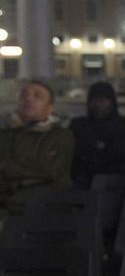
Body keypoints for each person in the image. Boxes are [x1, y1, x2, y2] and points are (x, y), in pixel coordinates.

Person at [0, 80, 74, 218]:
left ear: (50, 107)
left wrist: (6, 168)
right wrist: (24, 177)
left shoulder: (60, 136)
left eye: (37, 96)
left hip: (45, 207)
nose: (28, 99)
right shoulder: (6, 134)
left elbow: (49, 170)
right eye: (24, 95)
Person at [69, 81, 125, 189]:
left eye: (103, 99)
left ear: (112, 102)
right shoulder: (78, 125)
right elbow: (74, 154)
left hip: (118, 183)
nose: (98, 104)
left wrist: (94, 149)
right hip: (83, 183)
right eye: (95, 100)